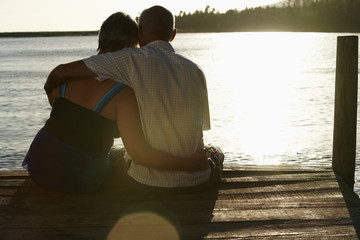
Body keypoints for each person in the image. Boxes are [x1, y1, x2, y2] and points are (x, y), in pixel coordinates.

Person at [23, 12, 207, 193]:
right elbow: (139, 153)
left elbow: (58, 87)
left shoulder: (63, 84)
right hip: (81, 178)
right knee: (120, 157)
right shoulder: (124, 93)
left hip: (38, 165)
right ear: (128, 47)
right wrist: (188, 163)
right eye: (135, 48)